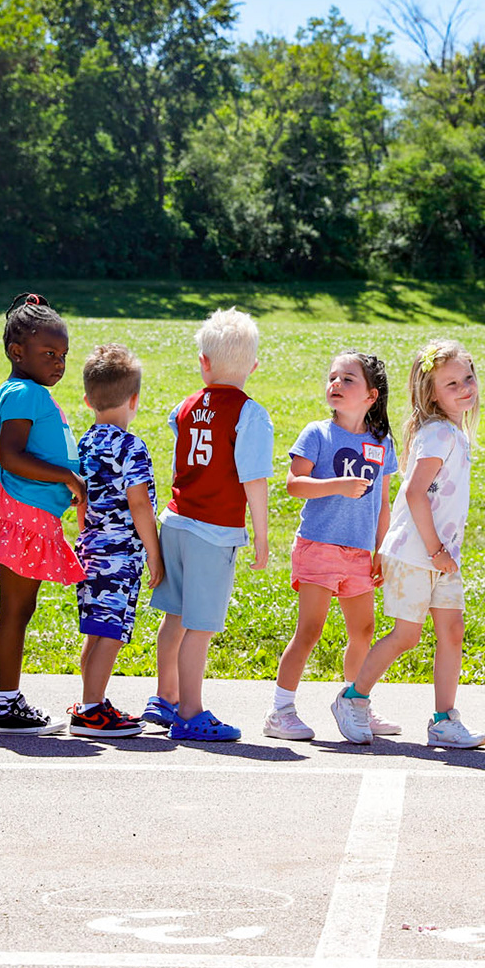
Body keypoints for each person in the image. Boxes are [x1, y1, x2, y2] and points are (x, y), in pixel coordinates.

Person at [330, 338, 485, 750]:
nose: (466, 387)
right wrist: (435, 550)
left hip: (441, 556)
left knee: (452, 631)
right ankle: (353, 698)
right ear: (430, 393)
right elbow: (416, 494)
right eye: (452, 383)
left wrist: (442, 553)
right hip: (417, 552)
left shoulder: (454, 433)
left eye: (468, 377)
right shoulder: (436, 435)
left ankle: (443, 719)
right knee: (406, 635)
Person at [142, 309, 273, 743]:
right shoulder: (250, 414)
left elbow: (181, 464)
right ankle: (191, 712)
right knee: (200, 624)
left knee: (175, 616)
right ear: (253, 366)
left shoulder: (184, 407)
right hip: (212, 531)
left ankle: (165, 697)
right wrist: (262, 538)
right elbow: (254, 480)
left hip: (176, 522)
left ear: (204, 361)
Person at [264, 352, 400, 741]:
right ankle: (280, 710)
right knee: (309, 630)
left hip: (360, 553)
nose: (336, 384)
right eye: (333, 378)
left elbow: (383, 502)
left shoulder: (380, 442)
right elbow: (294, 484)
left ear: (371, 396)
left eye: (348, 379)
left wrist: (381, 549)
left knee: (364, 631)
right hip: (319, 546)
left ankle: (356, 703)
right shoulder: (317, 433)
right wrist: (337, 485)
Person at [0, 293, 86, 736]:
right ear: (18, 353)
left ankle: (8, 699)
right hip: (23, 512)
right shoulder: (21, 391)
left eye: (63, 356)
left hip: (34, 513)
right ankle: (4, 704)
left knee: (22, 608)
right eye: (49, 354)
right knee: (15, 611)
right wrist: (68, 479)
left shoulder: (31, 391)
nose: (58, 363)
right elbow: (8, 456)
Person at [69, 343, 163, 738]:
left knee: (97, 629)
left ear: (89, 399)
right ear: (135, 399)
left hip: (90, 549)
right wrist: (154, 554)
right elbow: (139, 503)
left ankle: (91, 700)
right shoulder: (131, 447)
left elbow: (80, 498)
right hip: (120, 555)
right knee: (110, 633)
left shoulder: (84, 444)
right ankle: (91, 709)